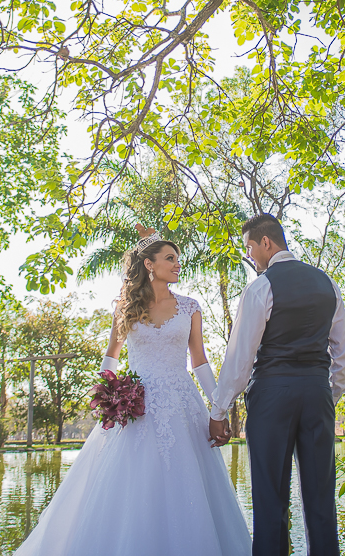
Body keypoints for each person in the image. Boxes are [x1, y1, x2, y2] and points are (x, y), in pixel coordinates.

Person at [13, 229, 251, 556]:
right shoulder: (126, 307)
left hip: (183, 405)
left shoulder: (190, 307)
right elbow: (111, 355)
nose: (177, 264)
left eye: (177, 258)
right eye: (170, 258)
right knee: (134, 482)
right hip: (136, 407)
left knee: (187, 480)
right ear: (149, 264)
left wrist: (218, 407)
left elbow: (199, 363)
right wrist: (107, 395)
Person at [208, 213, 345, 556]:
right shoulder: (327, 283)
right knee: (321, 499)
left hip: (272, 397)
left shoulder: (261, 286)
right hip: (317, 394)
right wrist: (325, 393)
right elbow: (342, 354)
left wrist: (219, 408)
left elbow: (240, 357)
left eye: (250, 248)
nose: (250, 256)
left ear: (266, 243)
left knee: (270, 498)